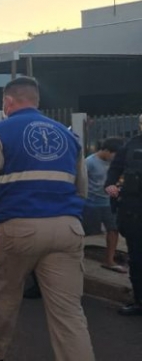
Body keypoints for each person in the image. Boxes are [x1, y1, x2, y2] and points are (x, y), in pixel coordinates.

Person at [0, 76, 94, 361]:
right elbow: (82, 189)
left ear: (8, 102)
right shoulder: (69, 135)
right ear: (36, 100)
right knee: (69, 314)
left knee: (5, 297)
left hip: (19, 227)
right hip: (68, 228)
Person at [105, 114, 142, 316]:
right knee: (136, 260)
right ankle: (139, 301)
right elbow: (114, 169)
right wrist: (110, 185)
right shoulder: (130, 145)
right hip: (133, 210)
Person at [84, 137, 125, 273]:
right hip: (90, 204)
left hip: (109, 203)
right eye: (114, 154)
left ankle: (109, 260)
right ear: (106, 151)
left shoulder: (115, 164)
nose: (115, 157)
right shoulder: (89, 163)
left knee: (113, 230)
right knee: (85, 232)